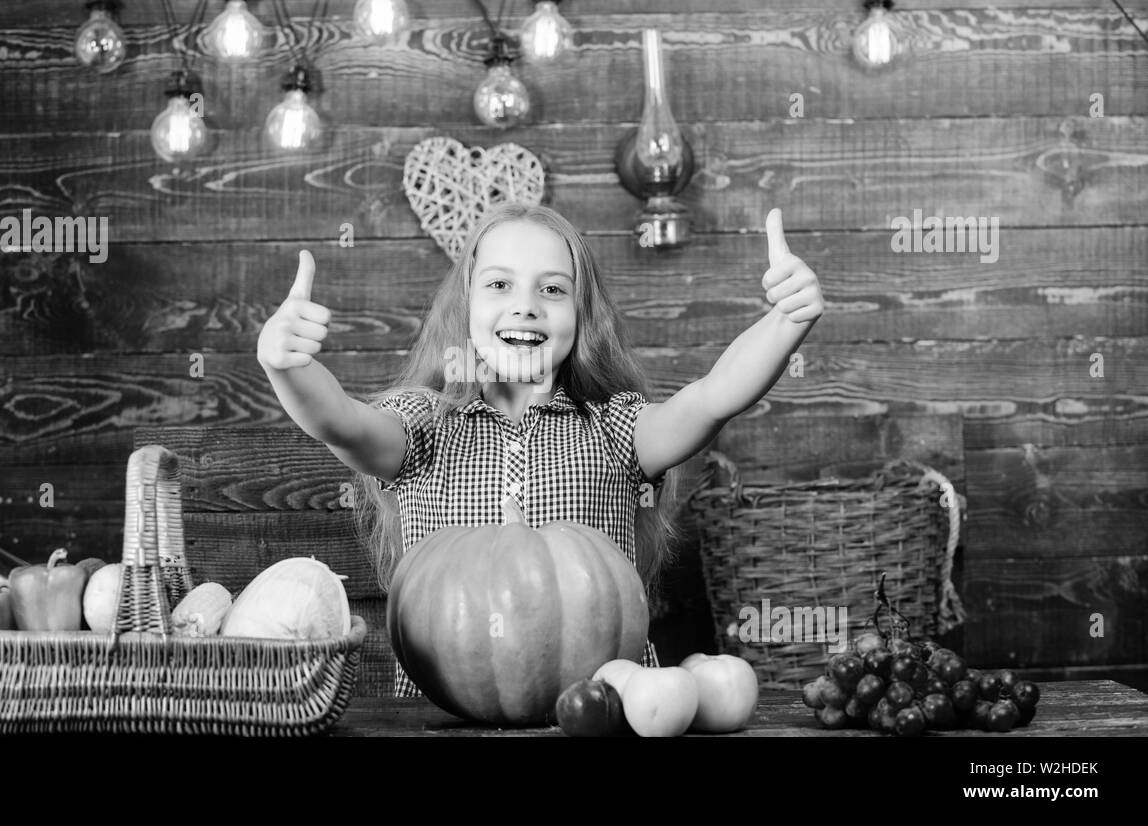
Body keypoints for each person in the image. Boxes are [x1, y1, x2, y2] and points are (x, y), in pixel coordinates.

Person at [257, 203, 824, 697]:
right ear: (466, 307)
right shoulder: (424, 426)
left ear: (581, 317)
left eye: (552, 289)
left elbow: (709, 401)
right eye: (499, 284)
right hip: (448, 711)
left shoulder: (615, 430)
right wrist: (286, 367)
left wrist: (784, 322)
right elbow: (340, 422)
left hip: (605, 707)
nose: (526, 305)